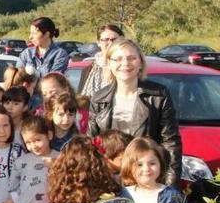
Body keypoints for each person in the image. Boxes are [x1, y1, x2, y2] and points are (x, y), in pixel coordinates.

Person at [88, 39, 181, 186]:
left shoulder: (158, 95)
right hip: (111, 182)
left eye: (132, 58)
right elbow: (92, 146)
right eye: (118, 59)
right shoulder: (98, 99)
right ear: (109, 63)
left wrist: (170, 187)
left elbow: (171, 144)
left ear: (140, 63)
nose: (125, 63)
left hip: (147, 178)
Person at [16, 17, 69, 85]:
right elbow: (18, 80)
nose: (30, 37)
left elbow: (52, 81)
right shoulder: (26, 53)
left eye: (34, 33)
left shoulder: (60, 54)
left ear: (47, 34)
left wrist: (33, 75)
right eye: (30, 33)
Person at [80, 24, 124, 97]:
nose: (110, 43)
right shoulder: (88, 70)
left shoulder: (128, 67)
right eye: (106, 39)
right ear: (98, 42)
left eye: (114, 39)